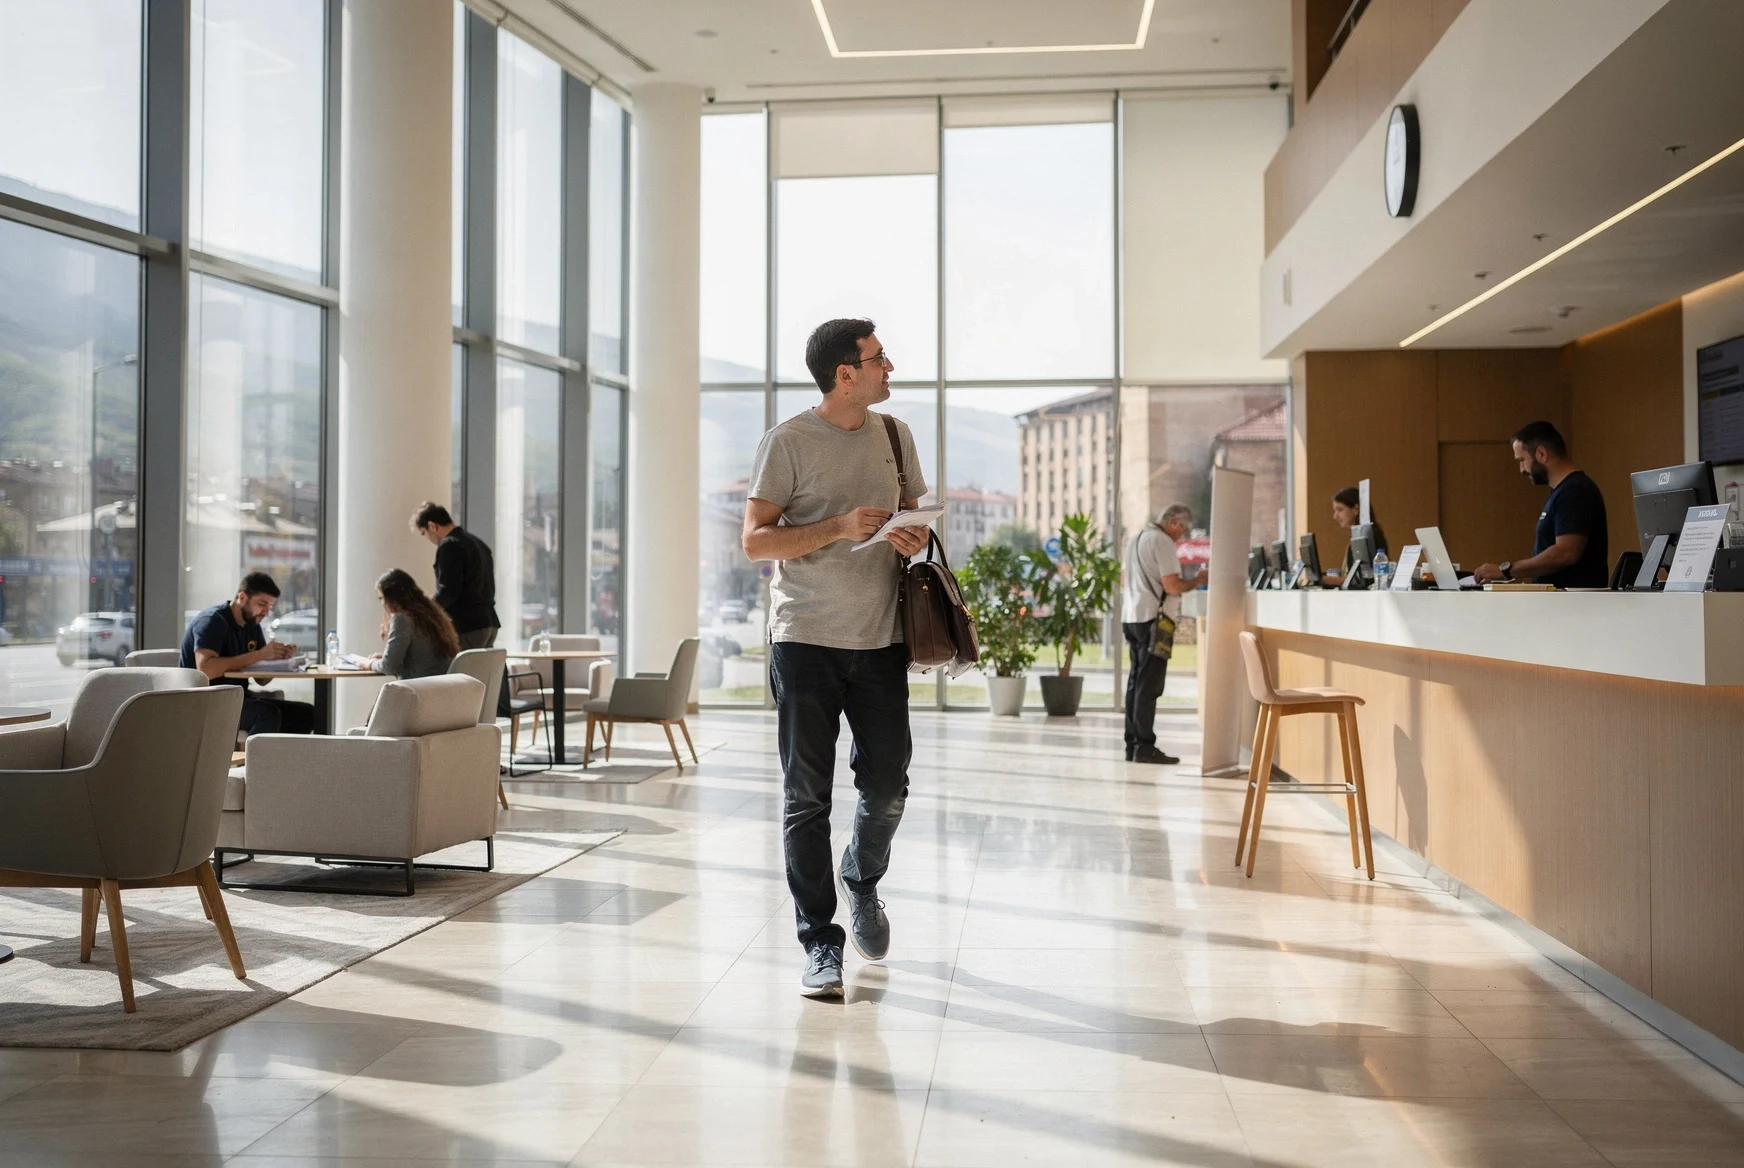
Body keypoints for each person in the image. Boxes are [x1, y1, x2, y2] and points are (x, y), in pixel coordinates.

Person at [742, 318, 931, 1000]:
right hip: (805, 642)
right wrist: (835, 527)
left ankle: (862, 877)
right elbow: (756, 543)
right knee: (807, 800)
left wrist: (909, 535)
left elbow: (915, 514)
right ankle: (820, 943)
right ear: (844, 374)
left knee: (887, 787)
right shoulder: (789, 442)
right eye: (879, 359)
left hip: (881, 641)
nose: (890, 367)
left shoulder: (894, 436)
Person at [1473, 421, 1609, 587]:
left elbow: (1566, 553)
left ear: (1541, 454)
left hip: (1574, 608)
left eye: (1522, 459)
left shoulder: (1575, 491)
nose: (1522, 469)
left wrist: (1506, 570)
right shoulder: (1561, 492)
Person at [180, 571, 316, 735]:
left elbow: (262, 680)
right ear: (242, 597)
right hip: (205, 700)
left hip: (237, 696)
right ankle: (259, 761)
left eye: (270, 606)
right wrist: (260, 655)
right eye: (262, 603)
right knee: (266, 714)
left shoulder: (252, 625)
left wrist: (279, 659)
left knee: (306, 713)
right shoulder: (213, 621)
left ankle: (286, 760)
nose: (266, 611)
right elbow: (206, 669)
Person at [1120, 503, 1199, 765]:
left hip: (1132, 616)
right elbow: (1172, 584)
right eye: (1183, 530)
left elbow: (1124, 579)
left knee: (1135, 684)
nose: (1182, 535)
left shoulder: (1135, 539)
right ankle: (1145, 747)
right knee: (1149, 686)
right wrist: (1199, 580)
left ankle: (1132, 744)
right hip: (1156, 620)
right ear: (1175, 522)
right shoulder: (1162, 542)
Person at [412, 503, 500, 651]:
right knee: (483, 672)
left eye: (424, 533)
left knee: (460, 672)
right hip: (488, 622)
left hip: (467, 625)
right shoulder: (478, 543)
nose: (428, 539)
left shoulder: (449, 546)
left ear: (432, 526)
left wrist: (426, 610)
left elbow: (449, 591)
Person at [369, 568, 460, 680]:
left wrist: (370, 663)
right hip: (441, 689)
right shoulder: (434, 616)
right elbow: (424, 658)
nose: (382, 604)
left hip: (417, 690)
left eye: (381, 598)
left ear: (391, 598)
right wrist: (385, 658)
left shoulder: (402, 619)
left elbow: (390, 667)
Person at [1321, 486, 1388, 587]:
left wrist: (1330, 580)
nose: (1335, 516)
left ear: (1356, 509)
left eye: (1339, 510)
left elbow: (1362, 579)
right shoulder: (1354, 537)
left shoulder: (1370, 536)